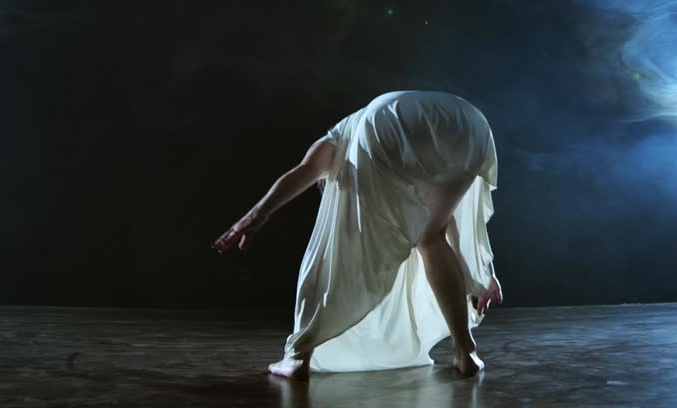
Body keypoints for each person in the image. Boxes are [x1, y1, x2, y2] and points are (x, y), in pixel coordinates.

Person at [213, 90, 504, 381]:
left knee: (330, 249)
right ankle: (466, 353)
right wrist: (482, 270)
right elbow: (458, 223)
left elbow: (306, 170)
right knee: (432, 236)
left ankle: (300, 357)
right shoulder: (364, 128)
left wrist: (258, 214)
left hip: (390, 119)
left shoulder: (338, 136)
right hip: (469, 123)